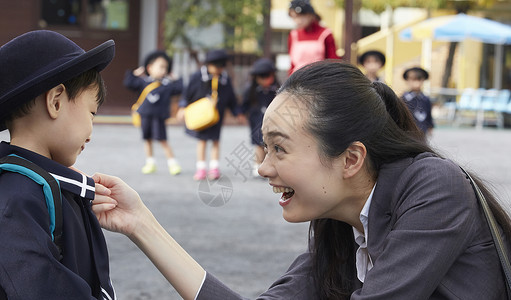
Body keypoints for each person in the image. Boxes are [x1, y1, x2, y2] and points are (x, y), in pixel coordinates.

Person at [92, 60, 511, 299]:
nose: (262, 167)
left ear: (351, 158)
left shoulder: (434, 186)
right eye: (264, 147)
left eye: (279, 148)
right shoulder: (340, 226)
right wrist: (141, 224)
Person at [0, 30, 116, 299]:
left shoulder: (43, 185)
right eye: (91, 113)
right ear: (55, 101)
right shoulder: (17, 196)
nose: (91, 130)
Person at [177, 49, 239, 181]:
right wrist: (182, 106)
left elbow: (231, 98)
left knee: (216, 140)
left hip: (217, 115)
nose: (218, 69)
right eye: (216, 66)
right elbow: (187, 94)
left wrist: (236, 112)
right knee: (202, 140)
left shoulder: (224, 79)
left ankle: (214, 167)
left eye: (222, 67)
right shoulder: (197, 77)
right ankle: (201, 168)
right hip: (201, 115)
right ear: (208, 64)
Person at [124, 50, 183, 175]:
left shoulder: (167, 85)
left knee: (163, 140)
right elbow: (129, 83)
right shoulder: (143, 82)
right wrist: (134, 74)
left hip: (159, 117)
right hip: (145, 116)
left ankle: (173, 163)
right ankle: (150, 162)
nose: (163, 70)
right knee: (147, 139)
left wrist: (176, 79)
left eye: (165, 68)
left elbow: (179, 89)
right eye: (160, 66)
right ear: (149, 68)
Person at [241, 58, 279, 178]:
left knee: (272, 144)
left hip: (274, 121)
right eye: (262, 77)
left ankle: (272, 165)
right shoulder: (251, 90)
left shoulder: (277, 90)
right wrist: (241, 114)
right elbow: (244, 104)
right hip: (257, 120)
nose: (265, 80)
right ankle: (257, 165)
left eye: (267, 76)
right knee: (259, 144)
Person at [287, 0, 339, 75]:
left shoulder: (325, 33)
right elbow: (292, 63)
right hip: (297, 79)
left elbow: (333, 60)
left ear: (310, 15)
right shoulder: (293, 34)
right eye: (294, 17)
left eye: (300, 16)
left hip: (319, 78)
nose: (297, 21)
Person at [401, 66, 434, 138]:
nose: (416, 82)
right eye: (413, 79)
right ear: (407, 80)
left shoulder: (425, 99)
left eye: (419, 79)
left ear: (423, 80)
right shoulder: (403, 99)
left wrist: (430, 127)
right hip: (407, 132)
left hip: (422, 131)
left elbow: (429, 114)